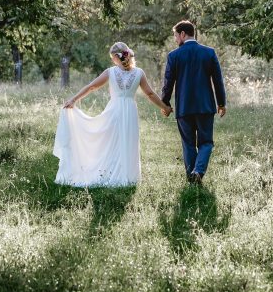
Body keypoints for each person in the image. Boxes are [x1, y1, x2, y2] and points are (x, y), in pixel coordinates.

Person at [52, 42, 172, 187]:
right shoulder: (139, 73)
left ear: (116, 57)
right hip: (130, 111)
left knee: (111, 142)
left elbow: (92, 86)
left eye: (112, 57)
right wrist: (164, 107)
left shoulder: (111, 72)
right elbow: (150, 94)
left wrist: (74, 99)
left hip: (114, 110)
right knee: (128, 142)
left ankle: (110, 173)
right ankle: (127, 177)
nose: (112, 60)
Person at [161, 20, 226, 185]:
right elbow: (218, 81)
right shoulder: (209, 53)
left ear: (183, 34)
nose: (176, 40)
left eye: (176, 36)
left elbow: (168, 83)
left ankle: (192, 179)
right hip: (205, 106)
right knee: (206, 142)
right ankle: (198, 171)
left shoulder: (174, 56)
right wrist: (221, 103)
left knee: (188, 144)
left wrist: (165, 104)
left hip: (184, 107)